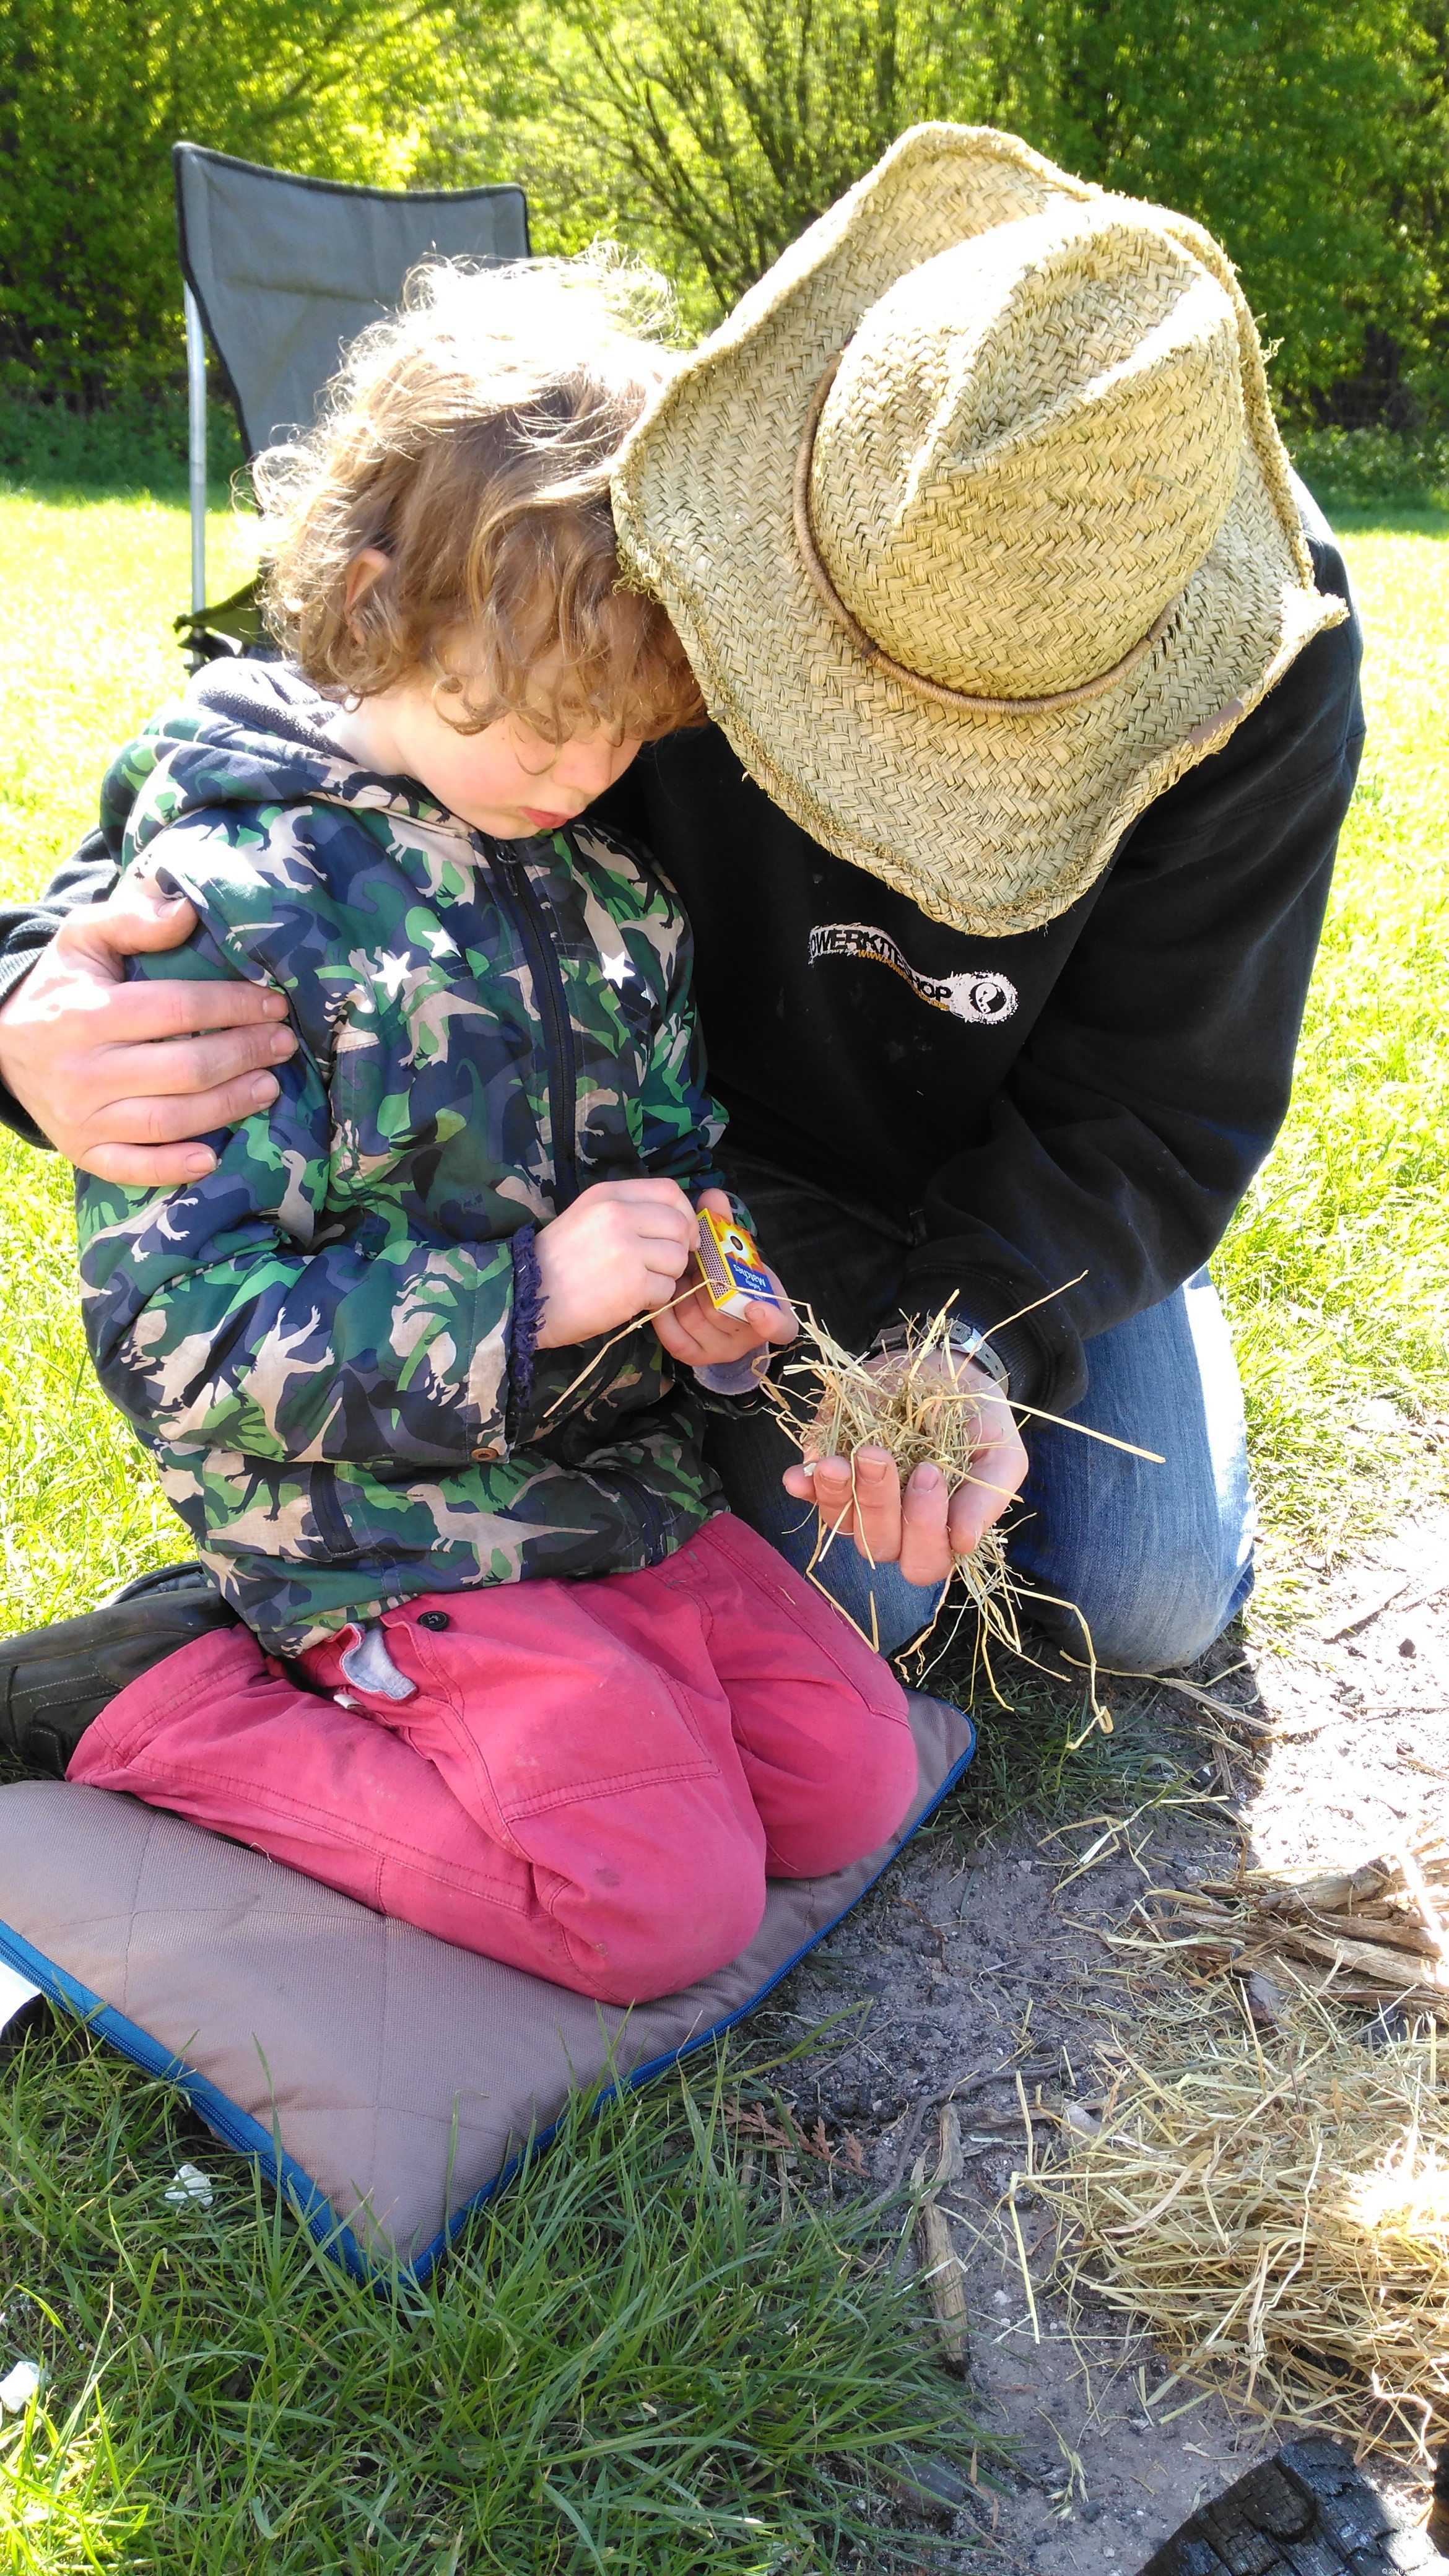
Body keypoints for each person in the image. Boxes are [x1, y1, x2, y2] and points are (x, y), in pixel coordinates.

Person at [0, 126, 1364, 1683]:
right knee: (867, 1596)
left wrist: (974, 1332)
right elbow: (301, 717)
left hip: (1023, 1174)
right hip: (706, 1154)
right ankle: (260, 1647)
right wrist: (32, 994)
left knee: (1141, 1598)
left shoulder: (1263, 661)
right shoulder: (652, 481)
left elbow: (1163, 1097)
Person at [0, 256, 920, 2004]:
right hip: (375, 1529)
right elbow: (181, 1341)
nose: (581, 775)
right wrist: (527, 1303)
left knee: (848, 1786)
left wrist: (710, 1307)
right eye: (542, 720)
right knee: (652, 1909)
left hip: (614, 1497)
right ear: (373, 601)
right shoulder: (235, 911)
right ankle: (146, 1695)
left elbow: (680, 1151)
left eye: (626, 734)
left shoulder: (617, 893)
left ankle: (526, 1714)